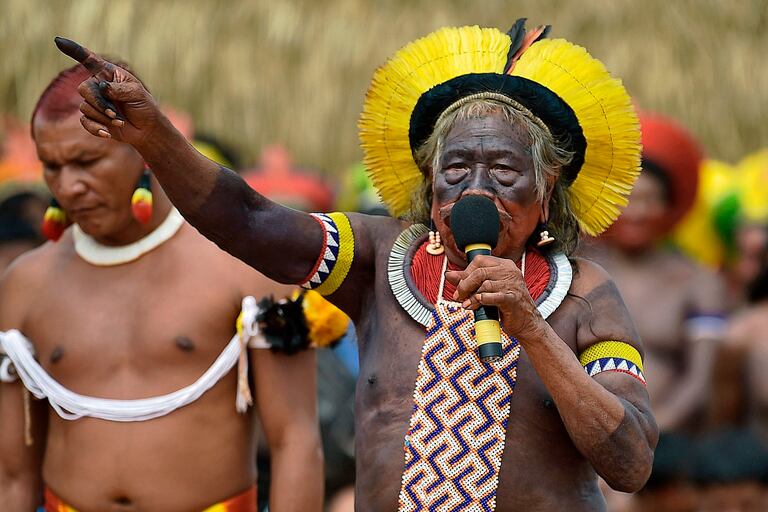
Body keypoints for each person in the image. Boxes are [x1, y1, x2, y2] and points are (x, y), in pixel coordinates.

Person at [58, 19, 657, 511]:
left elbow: (630, 463)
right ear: (428, 182)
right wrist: (155, 137)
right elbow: (247, 219)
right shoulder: (377, 258)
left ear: (546, 188)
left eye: (503, 172)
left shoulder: (584, 295)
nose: (475, 192)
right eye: (455, 170)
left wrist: (530, 327)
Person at [0, 63, 323, 511]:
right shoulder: (24, 285)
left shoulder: (244, 267)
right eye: (51, 167)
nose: (68, 186)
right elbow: (13, 476)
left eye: (87, 161)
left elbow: (296, 443)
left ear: (144, 149)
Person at [584, 112, 727, 433]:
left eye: (650, 201)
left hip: (662, 436)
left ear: (669, 207)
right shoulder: (577, 270)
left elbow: (698, 385)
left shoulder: (699, 282)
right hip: (579, 434)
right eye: (628, 200)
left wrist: (641, 437)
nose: (638, 212)